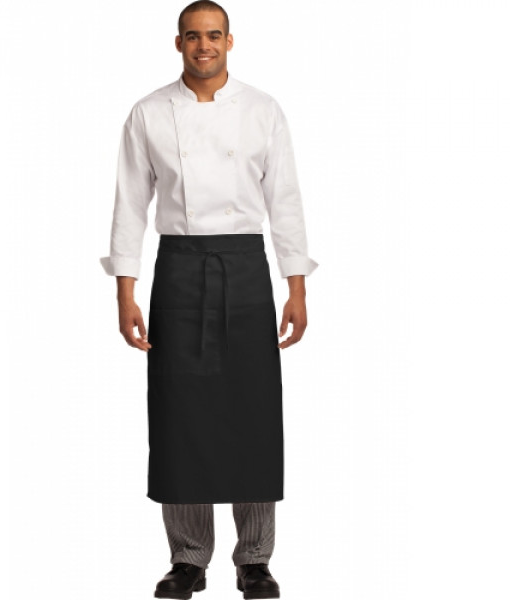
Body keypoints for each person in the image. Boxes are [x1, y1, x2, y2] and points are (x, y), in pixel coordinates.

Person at [99, 2, 318, 598]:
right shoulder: (148, 112)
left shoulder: (263, 110)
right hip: (179, 270)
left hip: (246, 267)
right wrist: (125, 291)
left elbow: (286, 200)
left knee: (253, 411)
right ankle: (189, 558)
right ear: (179, 43)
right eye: (193, 36)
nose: (204, 46)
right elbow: (129, 205)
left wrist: (296, 285)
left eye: (214, 35)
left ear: (229, 41)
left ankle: (255, 560)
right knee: (181, 415)